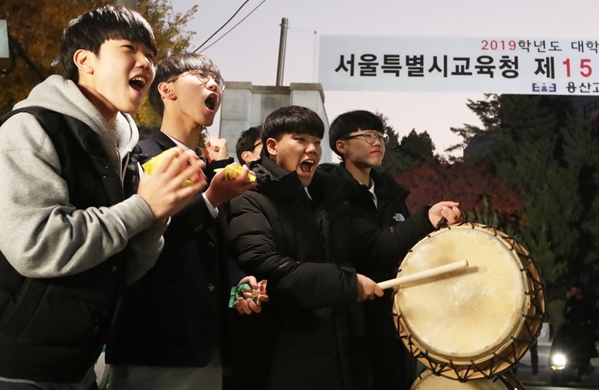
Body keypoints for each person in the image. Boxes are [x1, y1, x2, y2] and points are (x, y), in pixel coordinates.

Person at [0, 5, 207, 389]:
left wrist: (158, 215)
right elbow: (36, 245)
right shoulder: (30, 128)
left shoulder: (124, 150)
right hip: (17, 366)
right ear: (84, 60)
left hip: (78, 364)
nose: (145, 62)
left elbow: (123, 267)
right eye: (130, 48)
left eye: (151, 55)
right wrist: (143, 207)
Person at [227, 105, 461, 390]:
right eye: (300, 140)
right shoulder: (249, 197)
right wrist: (347, 284)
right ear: (273, 146)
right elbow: (266, 267)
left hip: (340, 350)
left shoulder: (327, 197)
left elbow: (370, 246)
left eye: (315, 141)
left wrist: (426, 219)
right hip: (282, 355)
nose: (311, 149)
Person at [105, 53, 263, 390]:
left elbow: (213, 246)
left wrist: (238, 281)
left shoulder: (211, 169)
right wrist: (211, 200)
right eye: (199, 74)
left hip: (207, 347)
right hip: (153, 345)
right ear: (166, 90)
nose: (212, 84)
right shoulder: (140, 156)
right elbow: (141, 237)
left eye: (216, 80)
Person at [320, 109, 416, 389]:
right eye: (367, 135)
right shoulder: (330, 193)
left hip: (393, 319)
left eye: (380, 136)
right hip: (351, 317)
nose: (378, 142)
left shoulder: (391, 193)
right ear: (341, 146)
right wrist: (426, 219)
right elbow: (370, 247)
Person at [560, 282, 599, 381]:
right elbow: (564, 314)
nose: (572, 290)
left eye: (574, 288)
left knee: (584, 353)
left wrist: (593, 326)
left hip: (584, 330)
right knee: (571, 352)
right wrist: (567, 311)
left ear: (579, 290)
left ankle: (580, 372)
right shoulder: (571, 301)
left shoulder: (587, 301)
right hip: (572, 331)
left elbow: (594, 315)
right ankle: (572, 371)